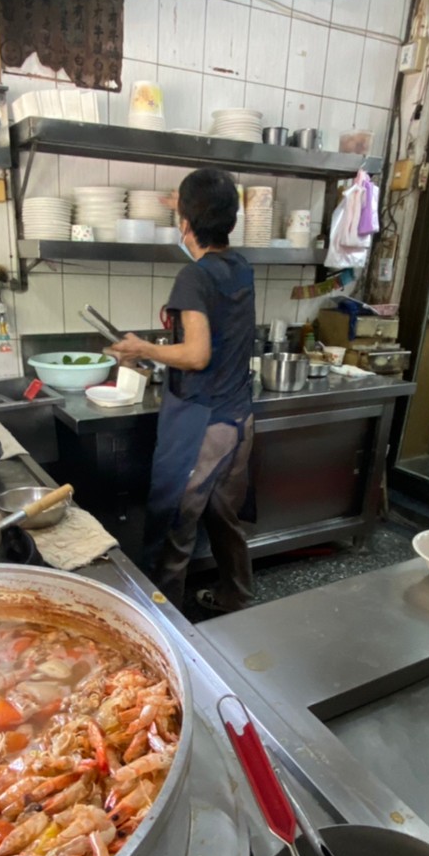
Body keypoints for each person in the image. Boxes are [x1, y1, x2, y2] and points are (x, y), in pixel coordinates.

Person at [108, 168, 256, 612]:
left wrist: (142, 348)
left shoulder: (193, 278)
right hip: (237, 420)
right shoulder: (239, 267)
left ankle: (164, 621)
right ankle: (236, 598)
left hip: (201, 424)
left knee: (172, 521)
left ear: (187, 225)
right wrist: (186, 204)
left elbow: (195, 355)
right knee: (224, 518)